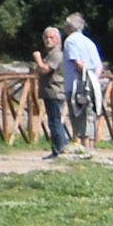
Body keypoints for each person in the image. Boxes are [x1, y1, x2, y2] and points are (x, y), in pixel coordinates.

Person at [62, 14, 106, 156]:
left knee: (78, 113)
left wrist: (86, 76)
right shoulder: (89, 42)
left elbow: (77, 62)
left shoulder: (70, 41)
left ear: (69, 27)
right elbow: (99, 65)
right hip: (92, 82)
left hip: (76, 83)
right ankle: (91, 147)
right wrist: (94, 78)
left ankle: (84, 147)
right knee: (89, 114)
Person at [37, 27, 69, 158]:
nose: (48, 40)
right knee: (53, 121)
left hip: (55, 91)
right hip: (50, 92)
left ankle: (59, 150)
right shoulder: (51, 54)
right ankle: (59, 148)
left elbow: (45, 69)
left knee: (55, 122)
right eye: (46, 38)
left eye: (51, 38)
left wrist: (37, 58)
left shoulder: (56, 54)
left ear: (58, 40)